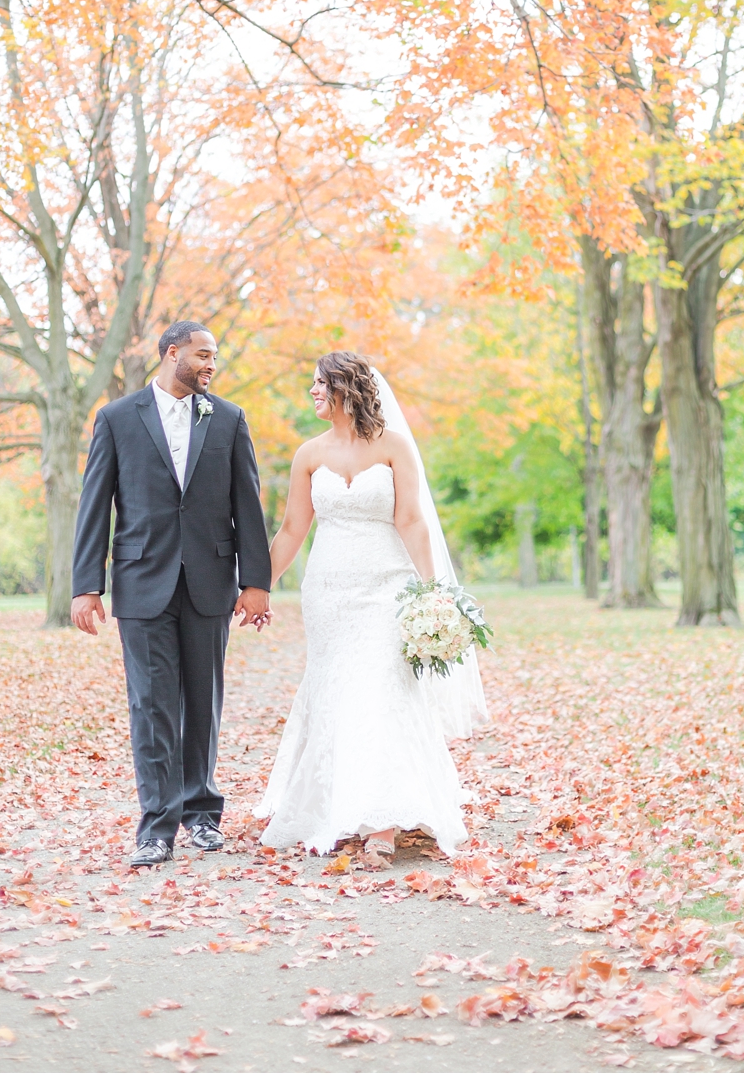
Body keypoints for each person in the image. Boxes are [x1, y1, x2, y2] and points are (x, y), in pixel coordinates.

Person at [252, 352, 476, 859]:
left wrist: (434, 589)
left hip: (387, 590)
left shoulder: (394, 447)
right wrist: (257, 586)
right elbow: (291, 530)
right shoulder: (308, 454)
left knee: (381, 691)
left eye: (318, 384)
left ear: (346, 388)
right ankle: (341, 808)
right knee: (336, 694)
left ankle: (380, 824)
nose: (311, 393)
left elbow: (412, 521)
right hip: (329, 593)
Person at [72, 320, 273, 868]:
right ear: (170, 353)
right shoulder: (116, 418)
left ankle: (202, 815)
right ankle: (156, 827)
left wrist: (256, 583)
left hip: (210, 581)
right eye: (203, 354)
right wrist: (86, 585)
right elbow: (96, 504)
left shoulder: (229, 419)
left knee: (203, 703)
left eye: (215, 357)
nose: (211, 364)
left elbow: (247, 505)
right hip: (141, 582)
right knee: (151, 705)